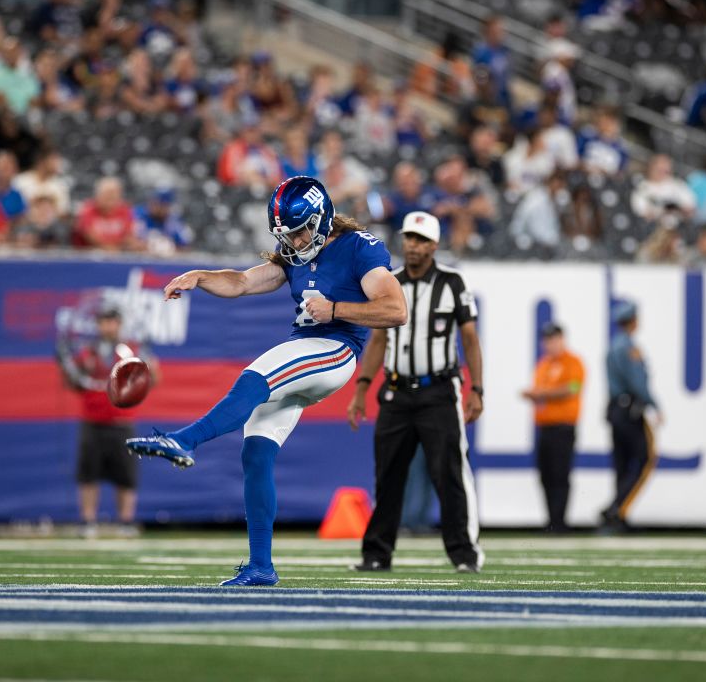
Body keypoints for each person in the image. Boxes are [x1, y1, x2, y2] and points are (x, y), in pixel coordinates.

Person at [126, 176, 407, 586]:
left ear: (323, 217)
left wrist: (336, 309)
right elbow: (242, 282)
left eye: (300, 231)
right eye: (286, 235)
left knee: (256, 374)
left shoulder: (358, 248)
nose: (294, 242)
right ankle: (261, 566)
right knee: (256, 453)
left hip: (335, 349)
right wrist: (199, 276)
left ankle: (185, 439)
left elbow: (396, 309)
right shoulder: (294, 251)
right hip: (309, 348)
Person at [348, 211, 486, 573]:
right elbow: (378, 337)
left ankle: (464, 553)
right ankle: (377, 553)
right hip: (396, 391)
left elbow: (470, 338)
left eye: (421, 240)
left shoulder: (453, 282)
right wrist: (362, 387)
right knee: (388, 474)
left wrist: (477, 389)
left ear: (434, 245)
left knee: (449, 473)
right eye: (409, 238)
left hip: (439, 390)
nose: (413, 245)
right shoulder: (390, 283)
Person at [57, 307, 158, 539]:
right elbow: (74, 382)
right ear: (98, 325)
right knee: (88, 474)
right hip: (92, 420)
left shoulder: (131, 351)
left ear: (119, 324)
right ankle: (87, 521)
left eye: (112, 321)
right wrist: (65, 363)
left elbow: (151, 380)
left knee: (126, 474)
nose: (108, 326)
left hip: (122, 421)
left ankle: (125, 521)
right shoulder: (87, 352)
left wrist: (148, 366)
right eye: (103, 322)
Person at [601, 301, 661, 533]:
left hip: (615, 410)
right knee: (644, 458)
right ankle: (616, 508)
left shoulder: (612, 347)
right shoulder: (629, 348)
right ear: (633, 321)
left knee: (622, 463)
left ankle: (617, 515)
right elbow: (638, 382)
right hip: (630, 410)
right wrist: (653, 404)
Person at [521, 322, 585, 534]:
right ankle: (551, 520)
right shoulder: (543, 365)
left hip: (563, 427)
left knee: (560, 474)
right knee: (546, 475)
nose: (550, 344)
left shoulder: (573, 362)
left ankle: (560, 520)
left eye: (554, 339)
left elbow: (573, 388)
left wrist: (542, 394)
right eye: (547, 340)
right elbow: (540, 390)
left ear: (562, 339)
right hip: (544, 427)